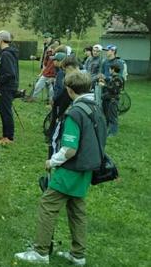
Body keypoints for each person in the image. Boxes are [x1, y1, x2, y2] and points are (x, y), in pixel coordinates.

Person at [15, 71, 107, 266]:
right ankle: (78, 255)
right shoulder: (96, 107)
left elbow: (69, 150)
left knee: (48, 206)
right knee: (77, 210)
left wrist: (52, 162)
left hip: (71, 168)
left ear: (69, 90)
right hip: (88, 168)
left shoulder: (75, 112)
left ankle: (40, 252)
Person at [0, 30, 19, 145]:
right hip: (8, 86)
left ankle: (8, 137)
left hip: (8, 87)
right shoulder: (8, 53)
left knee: (5, 111)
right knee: (2, 109)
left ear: (1, 40)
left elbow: (10, 74)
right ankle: (5, 135)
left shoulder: (6, 54)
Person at [99, 63, 123, 136]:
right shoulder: (114, 77)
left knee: (112, 117)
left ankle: (113, 132)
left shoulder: (118, 78)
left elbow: (114, 90)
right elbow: (110, 84)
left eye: (110, 69)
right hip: (109, 99)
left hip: (113, 100)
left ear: (113, 69)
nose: (109, 70)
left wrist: (104, 85)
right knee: (107, 116)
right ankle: (108, 130)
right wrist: (104, 80)